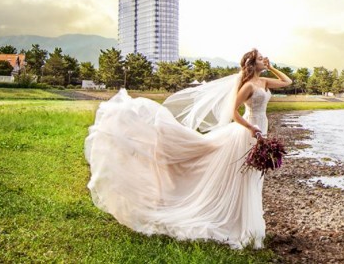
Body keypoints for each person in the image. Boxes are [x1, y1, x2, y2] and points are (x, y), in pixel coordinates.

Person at [84, 48, 292, 248]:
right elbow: (233, 113)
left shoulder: (264, 81)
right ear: (251, 63)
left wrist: (272, 67)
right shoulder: (248, 86)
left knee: (253, 177)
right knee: (241, 176)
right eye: (260, 58)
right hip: (248, 131)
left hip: (259, 130)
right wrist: (251, 128)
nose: (264, 59)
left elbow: (287, 81)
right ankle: (236, 223)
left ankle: (246, 223)